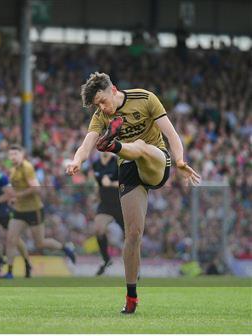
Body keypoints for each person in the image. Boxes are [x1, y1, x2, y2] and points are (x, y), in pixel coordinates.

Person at [66, 72, 200, 314]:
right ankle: (131, 297)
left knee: (141, 147)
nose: (102, 108)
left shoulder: (145, 98)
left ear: (113, 90)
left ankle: (114, 145)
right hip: (128, 169)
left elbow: (171, 134)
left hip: (156, 161)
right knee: (133, 235)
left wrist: (180, 160)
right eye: (97, 106)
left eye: (102, 102)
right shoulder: (100, 117)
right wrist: (76, 161)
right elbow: (86, 145)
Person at [1, 145, 76, 279]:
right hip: (19, 210)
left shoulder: (27, 167)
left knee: (40, 243)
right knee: (11, 239)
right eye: (11, 154)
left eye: (15, 154)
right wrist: (13, 198)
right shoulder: (13, 170)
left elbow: (36, 188)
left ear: (22, 154)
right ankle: (10, 272)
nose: (13, 157)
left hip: (33, 210)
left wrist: (18, 195)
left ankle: (64, 248)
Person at [91, 152, 124, 276]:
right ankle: (106, 259)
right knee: (98, 229)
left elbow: (125, 182)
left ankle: (135, 267)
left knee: (131, 236)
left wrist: (110, 183)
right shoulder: (96, 164)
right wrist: (95, 195)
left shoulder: (118, 162)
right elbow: (98, 182)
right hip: (105, 204)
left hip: (121, 204)